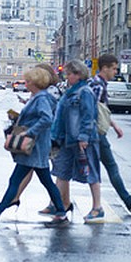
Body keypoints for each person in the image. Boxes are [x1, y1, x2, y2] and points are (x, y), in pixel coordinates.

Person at [0, 67, 69, 226]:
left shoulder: (41, 99)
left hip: (35, 146)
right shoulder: (38, 97)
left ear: (35, 83)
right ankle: (61, 213)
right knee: (45, 181)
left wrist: (29, 132)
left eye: (27, 81)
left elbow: (47, 119)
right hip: (36, 147)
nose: (24, 83)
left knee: (16, 180)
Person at [47, 59, 104, 223]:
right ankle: (59, 205)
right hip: (66, 139)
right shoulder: (70, 91)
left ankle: (97, 207)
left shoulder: (85, 92)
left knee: (91, 172)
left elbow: (89, 116)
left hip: (82, 140)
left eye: (69, 74)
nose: (66, 77)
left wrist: (84, 137)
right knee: (61, 171)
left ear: (78, 75)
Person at [88, 53, 131, 213]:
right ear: (104, 68)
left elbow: (100, 111)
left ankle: (60, 203)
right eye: (113, 69)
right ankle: (126, 202)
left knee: (84, 170)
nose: (115, 72)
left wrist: (114, 125)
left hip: (95, 133)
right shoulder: (98, 86)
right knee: (108, 168)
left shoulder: (97, 83)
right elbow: (92, 111)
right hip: (96, 134)